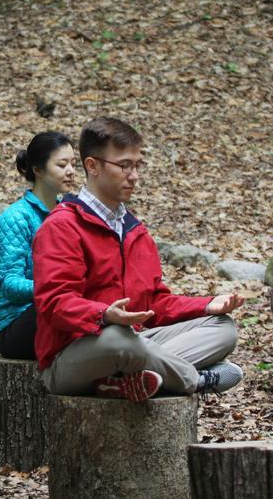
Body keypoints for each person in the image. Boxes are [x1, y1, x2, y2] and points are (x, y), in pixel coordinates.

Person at [32, 117, 243, 401]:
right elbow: (54, 302)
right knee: (120, 341)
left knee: (223, 328)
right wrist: (104, 315)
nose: (134, 176)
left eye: (137, 165)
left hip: (136, 342)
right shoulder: (62, 226)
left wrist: (206, 305)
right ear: (92, 166)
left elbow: (155, 303)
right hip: (75, 356)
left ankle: (128, 380)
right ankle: (196, 380)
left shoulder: (135, 231)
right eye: (124, 165)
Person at [0, 132, 76, 360]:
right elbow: (10, 283)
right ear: (37, 170)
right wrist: (55, 291)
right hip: (17, 324)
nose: (71, 171)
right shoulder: (16, 218)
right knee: (72, 312)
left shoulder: (71, 213)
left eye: (73, 164)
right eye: (62, 164)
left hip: (60, 306)